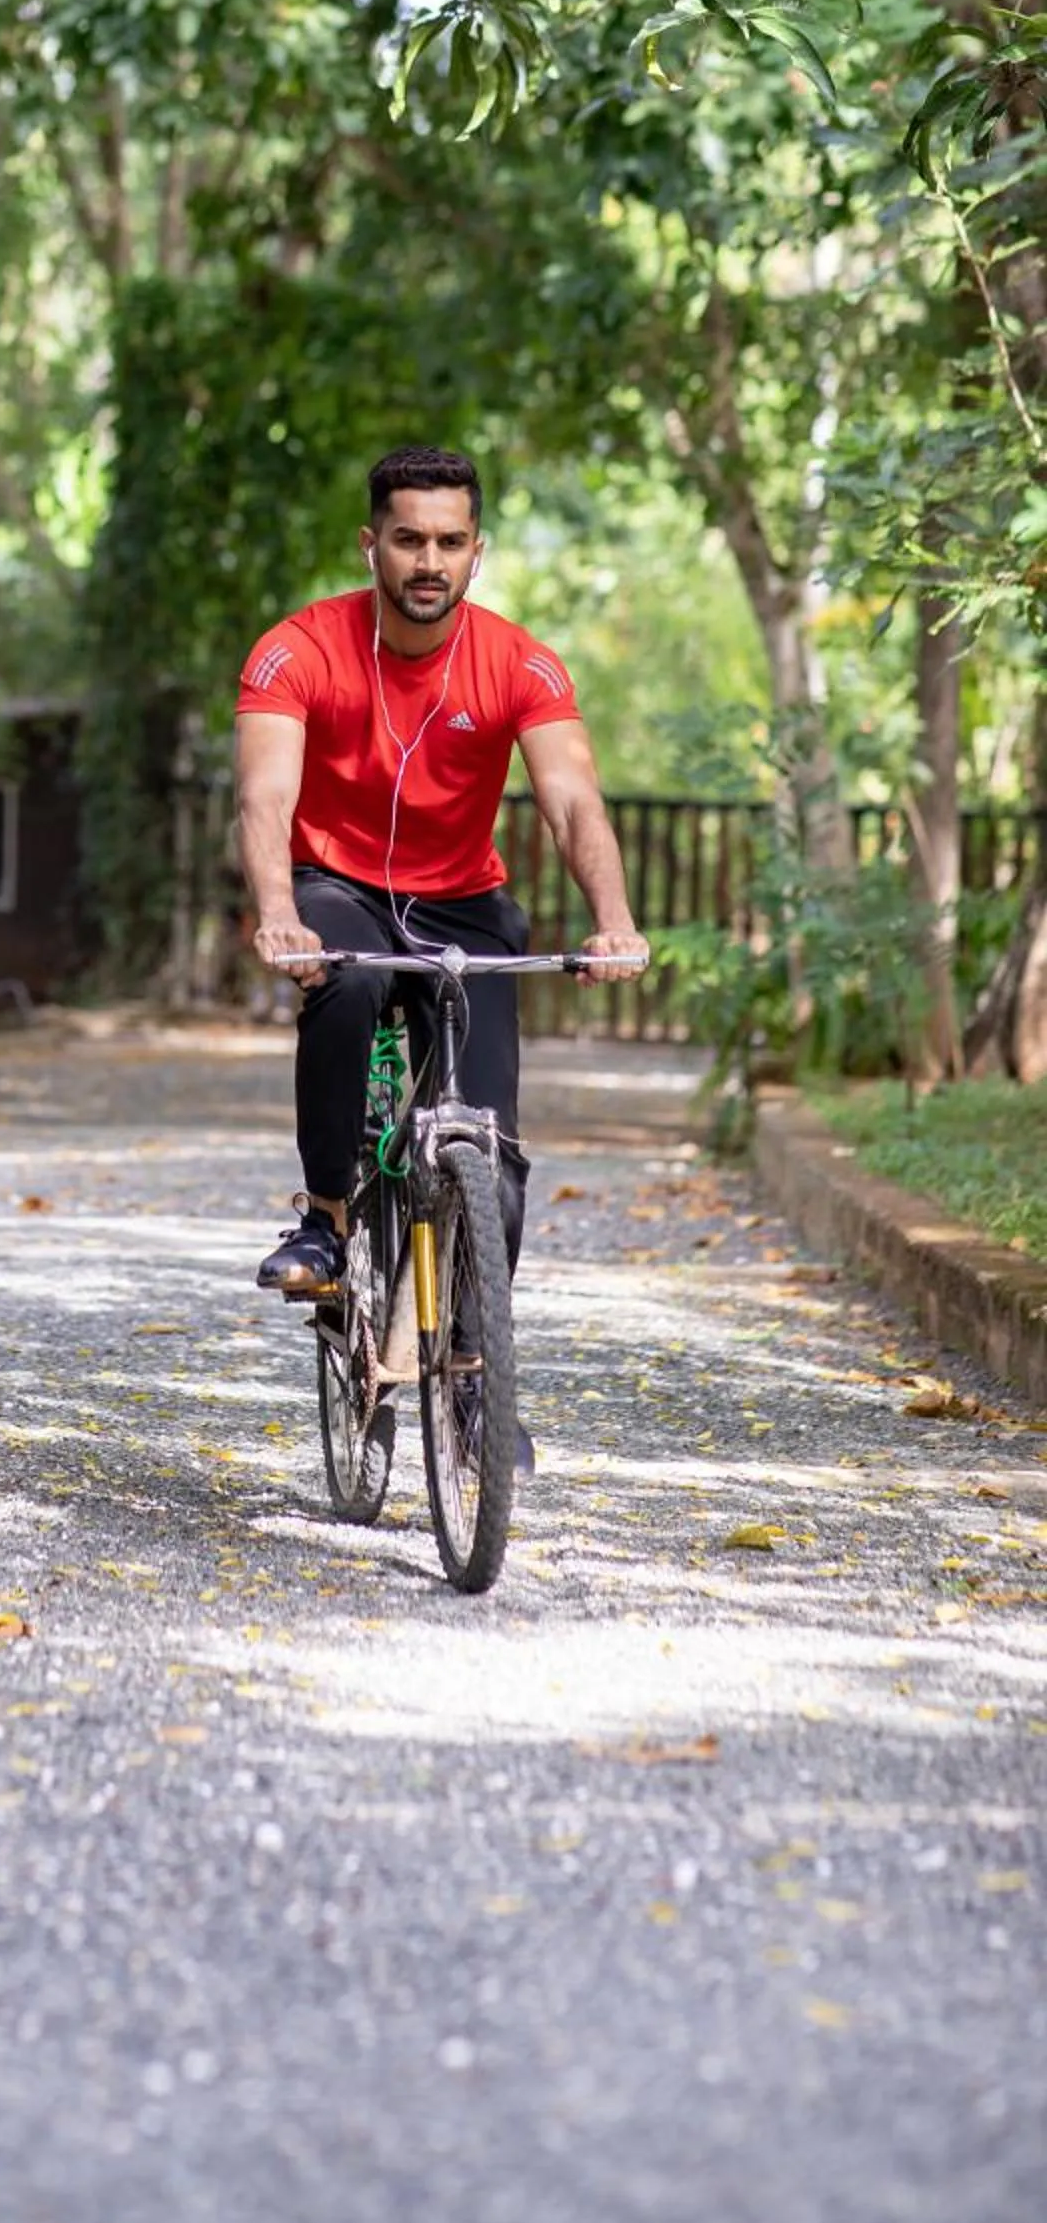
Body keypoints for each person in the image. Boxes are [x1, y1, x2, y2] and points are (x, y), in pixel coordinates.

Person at [235, 444, 647, 1464]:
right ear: (370, 542)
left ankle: (470, 1380)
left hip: (463, 904)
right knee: (350, 976)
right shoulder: (296, 650)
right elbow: (264, 797)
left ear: (476, 551)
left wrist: (612, 918)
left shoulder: (519, 662)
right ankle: (327, 1218)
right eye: (408, 539)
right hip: (338, 888)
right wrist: (280, 913)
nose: (429, 560)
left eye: (450, 542)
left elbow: (568, 799)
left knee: (490, 1164)